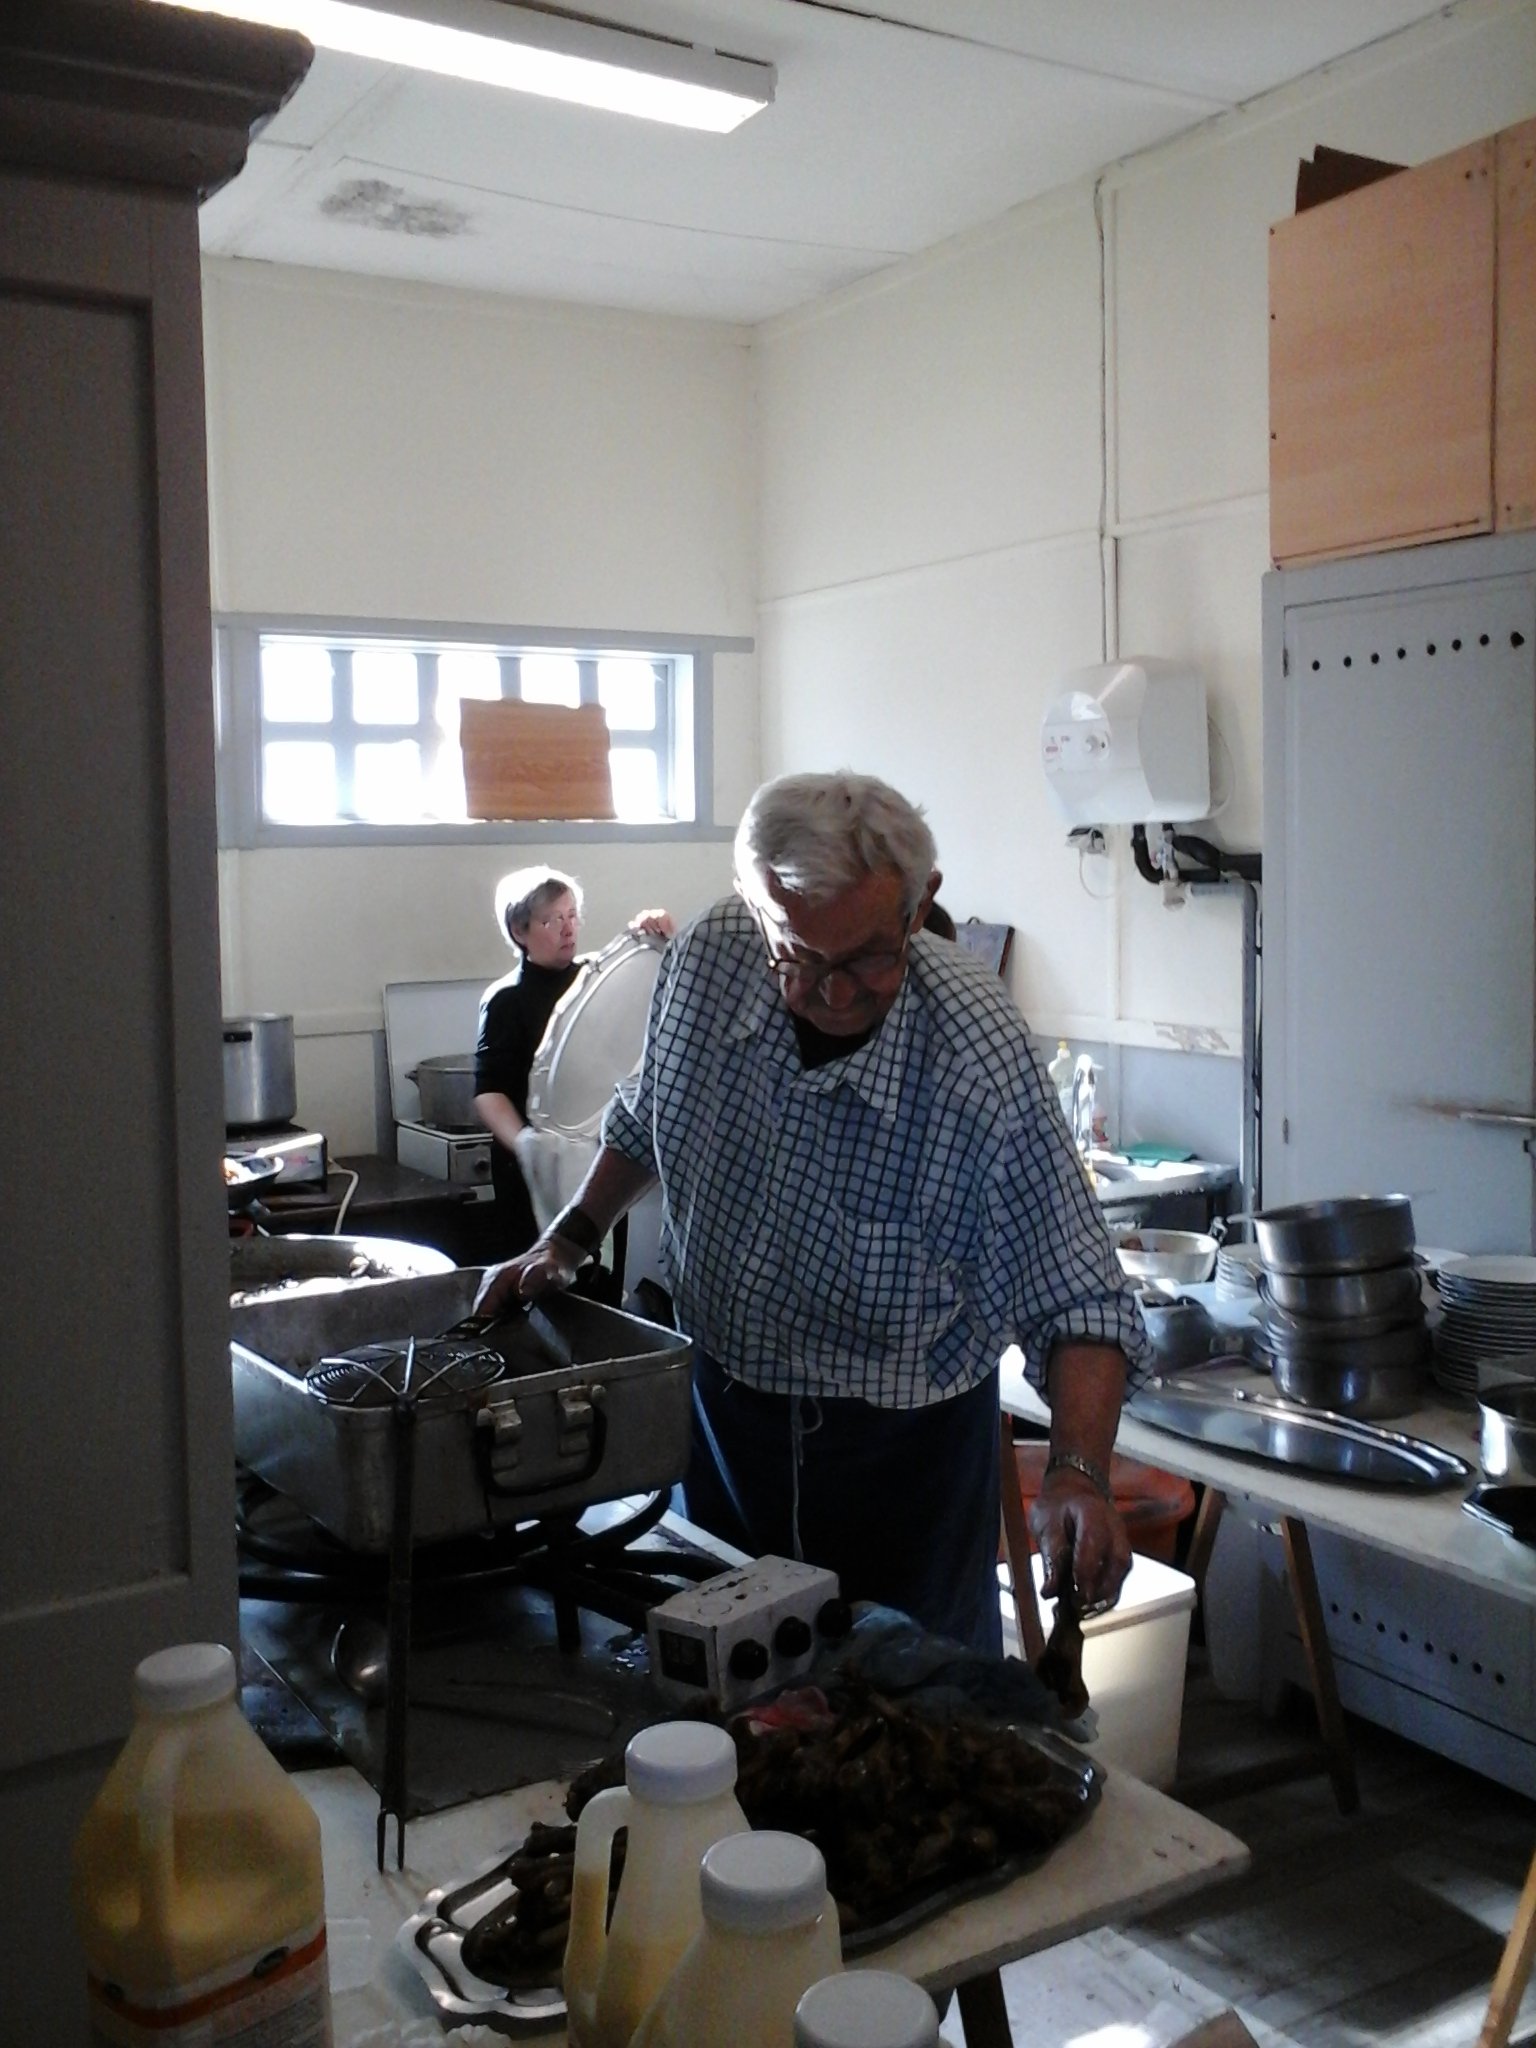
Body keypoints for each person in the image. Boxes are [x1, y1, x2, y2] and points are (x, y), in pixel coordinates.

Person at [475, 775, 1149, 1654]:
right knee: (719, 1682)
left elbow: (1079, 1298)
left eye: (866, 958)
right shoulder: (709, 957)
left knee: (911, 1702)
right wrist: (567, 1238)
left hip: (903, 1462)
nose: (833, 994)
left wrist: (1077, 1472)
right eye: (797, 956)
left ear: (920, 906)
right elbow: (648, 1115)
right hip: (722, 1422)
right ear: (753, 904)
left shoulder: (973, 1050)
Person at [472, 866, 673, 1255]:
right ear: (519, 931)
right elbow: (489, 1092)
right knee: (536, 1269)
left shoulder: (597, 982)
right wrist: (529, 1148)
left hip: (598, 1156)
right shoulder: (505, 1000)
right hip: (531, 1171)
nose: (568, 929)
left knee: (601, 1269)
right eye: (551, 920)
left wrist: (657, 929)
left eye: (572, 916)